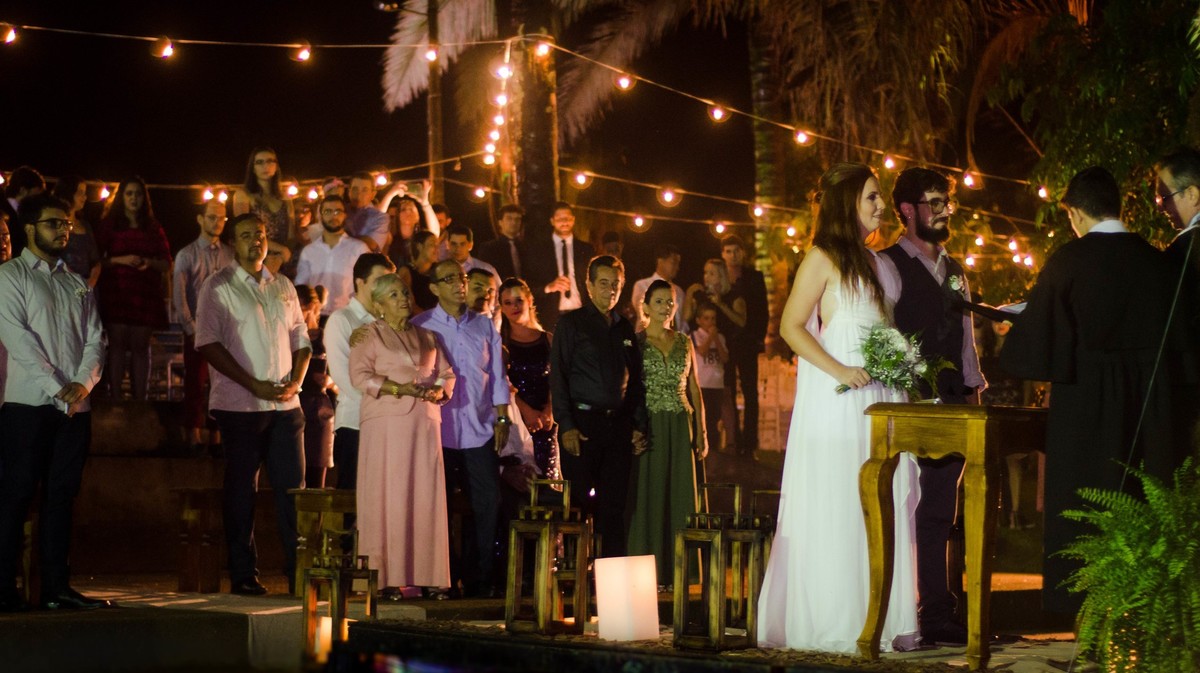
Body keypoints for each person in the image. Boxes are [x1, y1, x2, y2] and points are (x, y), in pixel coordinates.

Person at [1000, 166, 1190, 614]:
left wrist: (1016, 326)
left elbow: (1041, 340)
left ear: (1076, 213)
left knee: (1084, 506)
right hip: (1150, 407)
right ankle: (1141, 611)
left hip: (1085, 404)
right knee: (1141, 504)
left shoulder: (1069, 261)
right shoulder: (1159, 262)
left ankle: (1082, 609)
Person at [757, 163, 919, 653]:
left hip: (882, 395)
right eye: (871, 196)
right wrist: (840, 370)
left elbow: (884, 328)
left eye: (879, 196)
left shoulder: (881, 264)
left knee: (883, 500)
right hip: (842, 399)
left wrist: (901, 367)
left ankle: (881, 616)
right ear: (846, 202)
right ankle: (838, 616)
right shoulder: (822, 258)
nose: (880, 206)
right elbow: (791, 326)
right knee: (844, 500)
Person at [880, 167, 983, 644]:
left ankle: (940, 611)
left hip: (954, 401)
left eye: (947, 203)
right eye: (935, 203)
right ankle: (913, 610)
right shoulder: (887, 265)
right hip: (909, 401)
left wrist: (973, 391)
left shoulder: (956, 270)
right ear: (907, 210)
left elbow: (965, 339)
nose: (944, 211)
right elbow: (880, 335)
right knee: (909, 505)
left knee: (944, 508)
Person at [0, 193, 109, 612]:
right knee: (17, 494)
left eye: (67, 224)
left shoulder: (75, 281)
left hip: (75, 408)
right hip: (28, 404)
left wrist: (82, 383)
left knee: (62, 497)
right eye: (53, 223)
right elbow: (18, 339)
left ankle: (56, 587)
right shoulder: (10, 276)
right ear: (29, 228)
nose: (63, 230)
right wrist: (56, 386)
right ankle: (4, 588)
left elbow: (96, 339)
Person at [196, 213, 311, 596]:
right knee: (242, 490)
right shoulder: (218, 286)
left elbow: (301, 336)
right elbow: (207, 342)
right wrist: (253, 384)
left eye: (260, 235)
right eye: (246, 235)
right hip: (240, 407)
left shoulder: (282, 285)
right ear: (233, 243)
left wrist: (296, 380)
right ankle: (244, 573)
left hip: (286, 408)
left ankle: (299, 573)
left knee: (293, 493)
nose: (256, 241)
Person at [349, 273, 454, 597]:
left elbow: (447, 374)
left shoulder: (428, 336)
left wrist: (440, 390)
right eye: (393, 295)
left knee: (425, 498)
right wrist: (397, 388)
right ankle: (384, 578)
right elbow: (359, 376)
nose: (403, 299)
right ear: (378, 304)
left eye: (405, 292)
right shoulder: (369, 335)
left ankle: (429, 576)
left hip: (424, 424)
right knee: (388, 496)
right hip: (386, 424)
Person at [411, 259, 511, 598]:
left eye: (462, 277)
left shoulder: (484, 326)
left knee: (487, 502)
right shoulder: (421, 325)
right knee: (438, 507)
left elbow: (497, 375)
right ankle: (444, 577)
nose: (459, 284)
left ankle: (479, 578)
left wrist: (502, 417)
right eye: (449, 279)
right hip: (438, 431)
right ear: (434, 288)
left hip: (479, 429)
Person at [549, 255, 648, 558]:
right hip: (582, 425)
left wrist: (636, 424)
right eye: (603, 283)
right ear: (589, 286)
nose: (610, 290)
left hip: (616, 427)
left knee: (614, 507)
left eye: (615, 284)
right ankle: (574, 574)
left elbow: (636, 382)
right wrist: (566, 425)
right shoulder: (571, 324)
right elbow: (558, 376)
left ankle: (610, 578)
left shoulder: (624, 328)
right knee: (578, 507)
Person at [627, 280, 706, 585]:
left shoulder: (684, 342)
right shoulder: (636, 343)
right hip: (650, 424)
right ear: (646, 307)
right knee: (650, 493)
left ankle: (681, 571)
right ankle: (648, 572)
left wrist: (701, 430)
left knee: (680, 494)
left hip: (680, 423)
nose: (666, 307)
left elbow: (695, 388)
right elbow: (629, 389)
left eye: (670, 302)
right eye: (659, 301)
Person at [95, 176, 171, 401]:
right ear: (122, 197)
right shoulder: (109, 225)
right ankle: (116, 399)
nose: (133, 198)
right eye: (129, 193)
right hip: (117, 292)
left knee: (141, 347)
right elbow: (96, 260)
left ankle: (140, 401)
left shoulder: (153, 227)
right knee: (116, 346)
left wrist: (149, 262)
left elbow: (166, 262)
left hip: (144, 294)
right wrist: (121, 259)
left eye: (138, 194)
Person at [324, 253, 396, 491]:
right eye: (379, 281)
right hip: (357, 422)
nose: (385, 288)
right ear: (360, 282)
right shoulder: (342, 320)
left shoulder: (391, 321)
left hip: (390, 422)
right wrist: (389, 399)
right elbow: (345, 377)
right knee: (355, 495)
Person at [172, 199, 234, 452]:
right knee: (195, 383)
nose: (217, 223)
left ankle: (216, 435)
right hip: (198, 328)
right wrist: (191, 327)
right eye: (212, 217)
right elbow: (180, 295)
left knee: (221, 384)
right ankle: (193, 434)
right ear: (200, 219)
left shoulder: (230, 254)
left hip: (224, 330)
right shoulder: (187, 254)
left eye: (222, 218)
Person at [498, 277, 559, 480]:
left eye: (519, 300)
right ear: (501, 308)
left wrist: (549, 410)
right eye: (508, 303)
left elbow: (558, 380)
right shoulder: (500, 343)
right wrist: (526, 411)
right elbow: (502, 384)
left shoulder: (548, 339)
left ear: (530, 300)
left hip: (547, 422)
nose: (514, 306)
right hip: (517, 421)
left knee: (548, 480)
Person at [719, 235, 768, 455]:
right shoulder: (719, 276)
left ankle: (750, 442)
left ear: (742, 252)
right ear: (723, 254)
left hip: (747, 341)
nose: (733, 255)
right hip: (725, 342)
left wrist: (759, 338)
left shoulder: (754, 277)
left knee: (750, 392)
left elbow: (762, 310)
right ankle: (733, 439)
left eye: (736, 251)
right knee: (727, 391)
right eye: (728, 251)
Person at [295, 195, 371, 317]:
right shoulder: (309, 252)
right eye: (328, 212)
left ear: (345, 215)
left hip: (348, 317)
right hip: (317, 318)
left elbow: (369, 286)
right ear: (320, 216)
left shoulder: (359, 249)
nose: (333, 216)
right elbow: (301, 287)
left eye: (337, 211)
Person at [529, 202, 594, 330]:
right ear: (552, 221)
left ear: (573, 220)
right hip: (551, 317)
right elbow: (529, 284)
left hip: (581, 314)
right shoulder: (539, 250)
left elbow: (593, 281)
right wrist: (548, 287)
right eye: (559, 219)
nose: (564, 222)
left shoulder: (586, 249)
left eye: (567, 218)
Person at [232, 147, 296, 271]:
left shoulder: (286, 198)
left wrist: (280, 258)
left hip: (282, 262)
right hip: (254, 261)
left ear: (276, 166)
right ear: (253, 168)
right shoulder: (243, 195)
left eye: (270, 161)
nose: (265, 166)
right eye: (259, 162)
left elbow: (291, 237)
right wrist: (280, 249)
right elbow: (243, 232)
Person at [295, 284, 334, 488]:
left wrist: (330, 381)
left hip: (319, 409)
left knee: (316, 477)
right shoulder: (291, 336)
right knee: (293, 475)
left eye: (300, 308)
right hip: (295, 405)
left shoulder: (326, 337)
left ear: (311, 307)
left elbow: (347, 375)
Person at [691, 303, 733, 453]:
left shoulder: (720, 337)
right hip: (702, 384)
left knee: (714, 419)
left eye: (713, 318)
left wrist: (716, 339)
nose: (710, 322)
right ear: (698, 320)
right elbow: (702, 351)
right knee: (702, 417)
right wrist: (710, 337)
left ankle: (714, 449)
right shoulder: (695, 335)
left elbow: (725, 357)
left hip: (716, 384)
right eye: (706, 318)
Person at [52, 176, 101, 287]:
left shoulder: (85, 225)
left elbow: (95, 261)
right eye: (80, 193)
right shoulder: (53, 225)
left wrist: (90, 283)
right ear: (68, 193)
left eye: (85, 193)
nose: (85, 197)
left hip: (87, 286)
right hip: (63, 285)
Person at [630, 244, 688, 333]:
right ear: (660, 261)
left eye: (678, 264)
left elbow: (681, 324)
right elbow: (644, 313)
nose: (677, 268)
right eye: (673, 263)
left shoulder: (679, 291)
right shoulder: (642, 285)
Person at [1, 165, 45, 257]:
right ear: (23, 190)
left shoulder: (23, 214)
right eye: (35, 195)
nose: (37, 200)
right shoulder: (3, 212)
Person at [475, 204, 525, 280]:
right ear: (500, 222)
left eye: (517, 219)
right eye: (509, 218)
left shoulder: (527, 247)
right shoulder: (489, 248)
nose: (514, 222)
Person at [346, 172, 390, 253]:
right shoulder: (341, 211)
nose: (359, 194)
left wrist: (337, 235)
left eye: (364, 190)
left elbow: (370, 247)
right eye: (355, 189)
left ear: (373, 194)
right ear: (349, 192)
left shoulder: (380, 218)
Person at [398, 230, 438, 313]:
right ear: (419, 246)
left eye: (437, 245)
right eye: (431, 244)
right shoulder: (407, 272)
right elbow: (409, 303)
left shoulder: (439, 270)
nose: (436, 249)